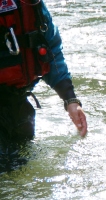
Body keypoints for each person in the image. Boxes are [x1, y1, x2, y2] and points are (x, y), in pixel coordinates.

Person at [0, 0, 87, 151]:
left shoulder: (32, 5)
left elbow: (50, 50)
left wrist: (71, 100)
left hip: (17, 106)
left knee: (19, 165)